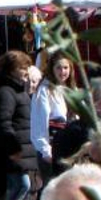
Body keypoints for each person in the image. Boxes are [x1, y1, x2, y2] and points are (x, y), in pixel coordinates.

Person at [0, 49, 36, 200]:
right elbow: (3, 123)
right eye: (22, 68)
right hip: (12, 154)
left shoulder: (18, 90)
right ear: (11, 70)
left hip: (22, 152)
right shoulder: (5, 92)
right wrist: (13, 148)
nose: (26, 72)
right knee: (20, 187)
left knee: (23, 187)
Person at [30, 49, 74, 179]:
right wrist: (46, 150)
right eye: (58, 68)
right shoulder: (44, 90)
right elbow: (39, 123)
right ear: (52, 69)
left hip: (69, 149)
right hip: (51, 147)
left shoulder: (71, 90)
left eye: (65, 68)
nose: (62, 72)